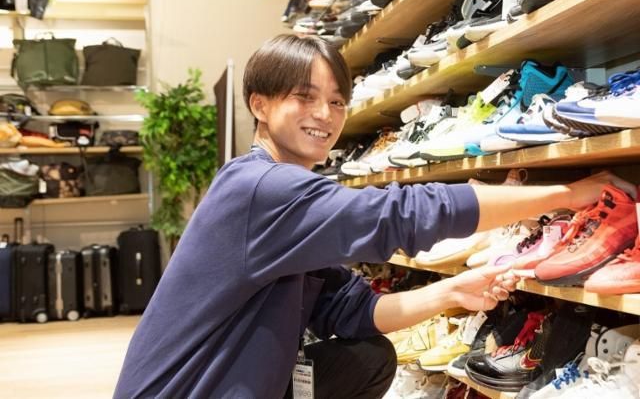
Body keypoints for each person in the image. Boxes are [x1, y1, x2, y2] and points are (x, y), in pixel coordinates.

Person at [114, 35, 635, 398]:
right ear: (259, 105)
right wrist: (569, 193)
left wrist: (453, 291)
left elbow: (352, 310)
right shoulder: (259, 188)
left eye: (337, 101)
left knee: (368, 358)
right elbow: (400, 212)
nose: (325, 115)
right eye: (304, 97)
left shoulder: (281, 197)